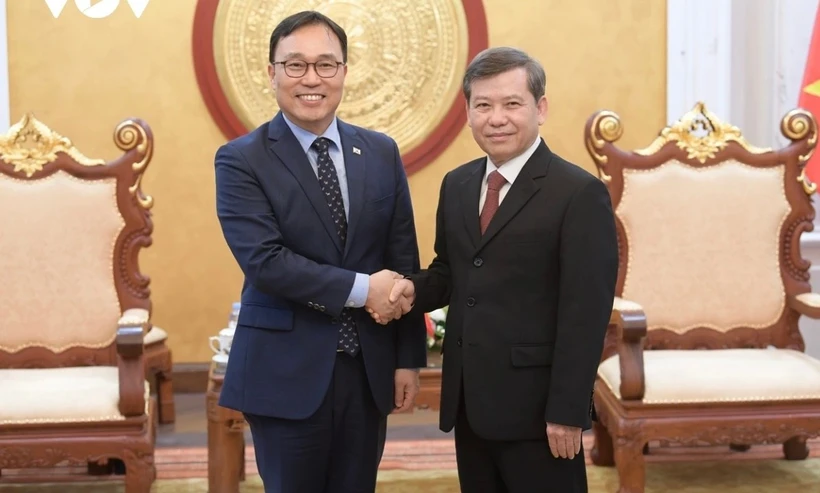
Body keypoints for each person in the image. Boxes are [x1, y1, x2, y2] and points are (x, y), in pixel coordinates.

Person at [376, 47, 618, 492]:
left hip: (539, 410)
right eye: (483, 105)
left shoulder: (578, 193)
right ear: (468, 113)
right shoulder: (459, 184)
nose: (496, 118)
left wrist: (567, 410)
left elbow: (586, 315)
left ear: (540, 108)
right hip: (471, 400)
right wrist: (408, 289)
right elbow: (451, 274)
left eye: (512, 104)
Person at [214, 11, 427, 493]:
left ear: (345, 73)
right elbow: (265, 261)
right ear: (271, 74)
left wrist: (407, 358)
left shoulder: (379, 152)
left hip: (366, 370)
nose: (312, 79)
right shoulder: (240, 159)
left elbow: (402, 259)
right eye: (295, 65)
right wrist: (362, 289)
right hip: (284, 370)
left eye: (326, 65)